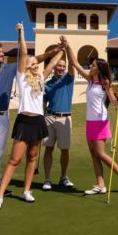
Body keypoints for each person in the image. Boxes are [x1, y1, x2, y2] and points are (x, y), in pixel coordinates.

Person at [0, 24, 62, 204]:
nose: (3, 54)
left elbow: (38, 59)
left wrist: (58, 49)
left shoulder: (10, 69)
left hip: (4, 117)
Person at [62, 36, 118, 195]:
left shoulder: (105, 83)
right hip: (90, 122)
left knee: (100, 153)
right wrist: (68, 46)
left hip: (101, 121)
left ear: (98, 69)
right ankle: (100, 185)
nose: (89, 66)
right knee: (93, 155)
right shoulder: (90, 80)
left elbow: (113, 101)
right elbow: (75, 63)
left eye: (92, 65)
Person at [41, 47, 76, 191]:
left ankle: (63, 177)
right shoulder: (47, 85)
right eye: (59, 66)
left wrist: (67, 47)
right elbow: (43, 103)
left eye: (63, 66)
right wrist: (40, 119)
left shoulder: (68, 79)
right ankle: (47, 179)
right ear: (54, 67)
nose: (61, 68)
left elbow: (73, 65)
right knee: (48, 149)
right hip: (49, 117)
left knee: (65, 150)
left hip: (64, 118)